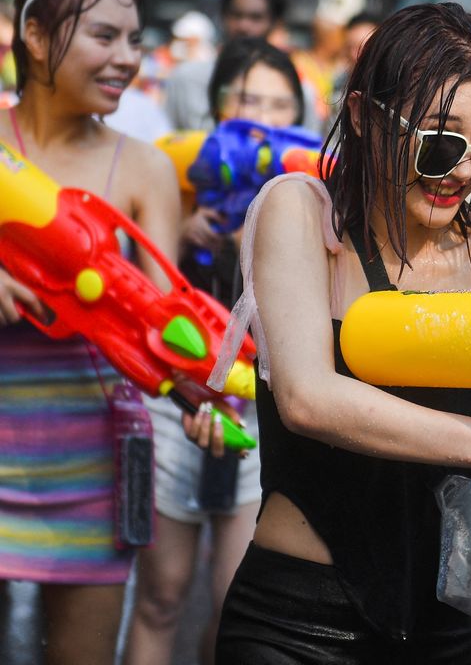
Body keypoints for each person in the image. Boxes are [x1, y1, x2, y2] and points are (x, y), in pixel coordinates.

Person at [206, 2, 471, 662]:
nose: (463, 170)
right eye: (442, 140)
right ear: (364, 116)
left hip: (441, 630)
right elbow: (309, 398)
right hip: (295, 625)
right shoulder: (305, 218)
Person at [0, 0, 182, 665]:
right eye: (104, 35)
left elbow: (170, 321)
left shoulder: (144, 168)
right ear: (35, 35)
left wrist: (205, 390)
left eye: (134, 39)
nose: (126, 57)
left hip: (99, 465)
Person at [123, 36, 305, 665]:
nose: (263, 116)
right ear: (217, 105)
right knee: (161, 596)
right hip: (177, 409)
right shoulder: (172, 180)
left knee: (235, 606)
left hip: (264, 421)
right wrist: (179, 230)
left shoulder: (313, 201)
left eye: (280, 104)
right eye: (248, 98)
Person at [163, 0, 287, 131]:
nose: (244, 26)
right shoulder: (186, 78)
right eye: (236, 15)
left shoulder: (292, 89)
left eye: (256, 18)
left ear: (275, 23)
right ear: (223, 17)